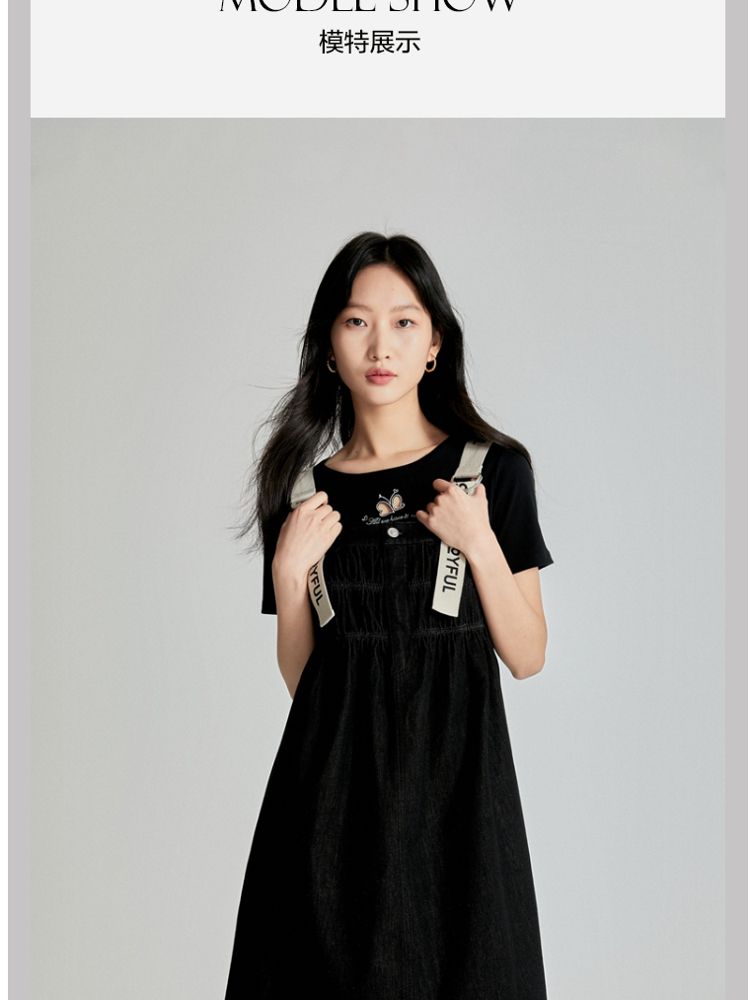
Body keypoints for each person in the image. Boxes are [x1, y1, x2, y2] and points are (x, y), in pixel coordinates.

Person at [225, 231, 554, 999]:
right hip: (330, 806)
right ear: (328, 347)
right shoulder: (300, 494)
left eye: (405, 322)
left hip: (460, 802)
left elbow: (528, 654)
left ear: (434, 343)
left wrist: (479, 543)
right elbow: (308, 684)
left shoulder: (492, 472)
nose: (381, 345)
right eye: (356, 322)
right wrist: (289, 573)